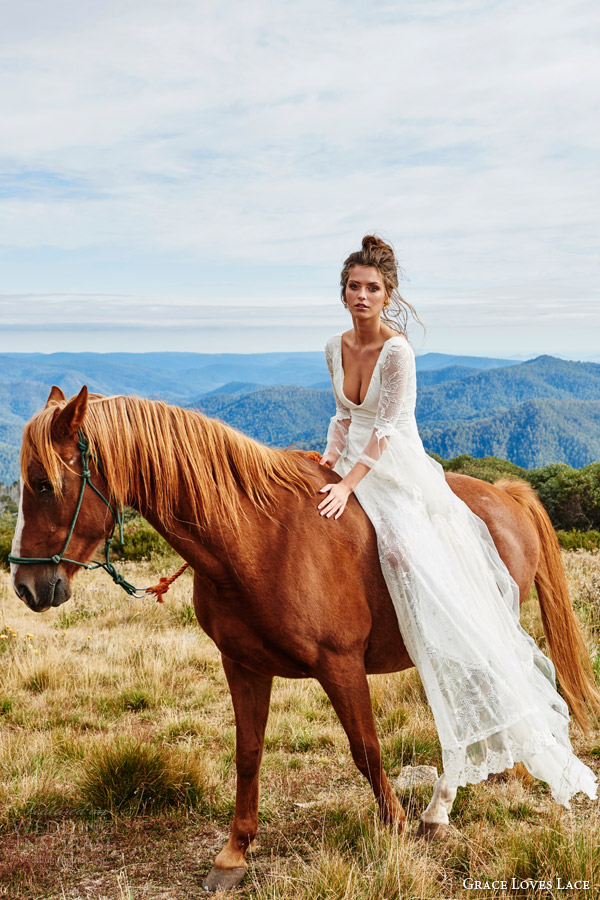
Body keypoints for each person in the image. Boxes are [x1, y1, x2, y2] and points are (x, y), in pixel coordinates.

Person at [317, 234, 598, 808]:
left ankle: (434, 629)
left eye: (372, 288)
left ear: (387, 295)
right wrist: (325, 464)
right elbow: (345, 415)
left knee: (399, 550)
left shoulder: (397, 353)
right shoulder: (334, 347)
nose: (362, 296)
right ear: (342, 293)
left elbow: (388, 428)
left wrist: (348, 484)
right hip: (348, 458)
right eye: (354, 287)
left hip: (395, 468)